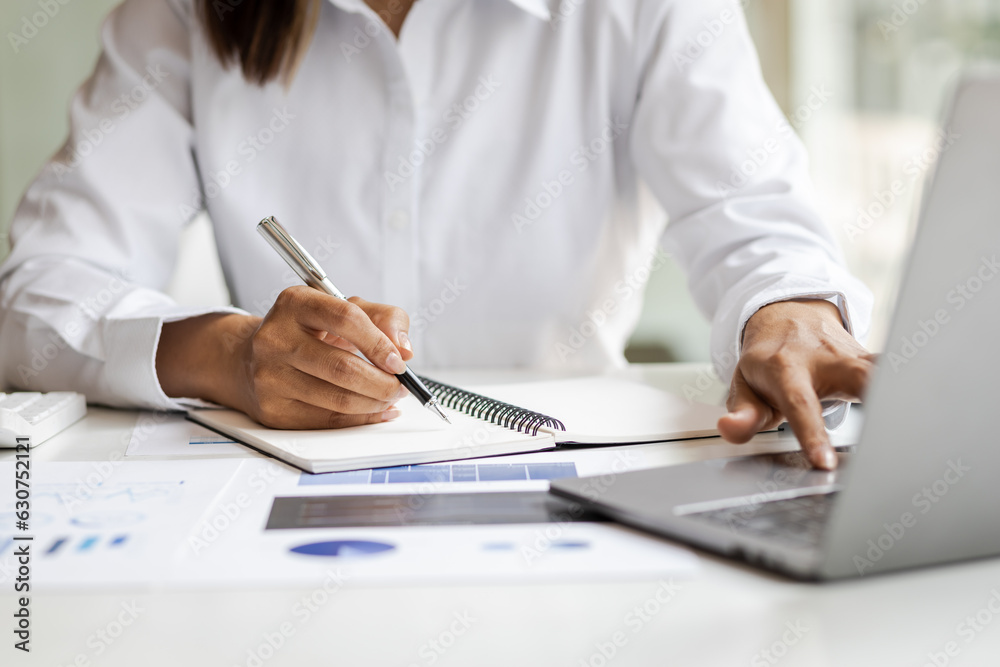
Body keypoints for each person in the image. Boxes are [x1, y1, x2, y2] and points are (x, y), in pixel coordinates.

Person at [0, 0, 874, 470]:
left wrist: (789, 311)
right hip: (289, 487)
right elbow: (41, 291)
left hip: (573, 478)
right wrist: (227, 357)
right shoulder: (182, 15)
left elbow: (751, 216)